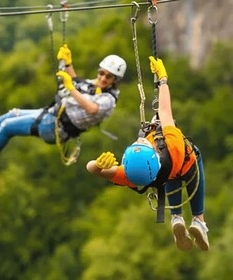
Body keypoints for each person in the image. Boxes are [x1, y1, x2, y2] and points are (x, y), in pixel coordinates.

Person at [86, 57, 209, 251]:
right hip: (184, 163)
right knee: (193, 157)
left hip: (163, 176)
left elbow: (91, 169)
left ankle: (176, 216)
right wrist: (163, 79)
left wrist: (98, 164)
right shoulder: (172, 141)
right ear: (153, 152)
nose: (140, 140)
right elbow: (165, 110)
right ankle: (198, 220)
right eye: (143, 143)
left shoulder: (132, 175)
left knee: (169, 177)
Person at [0, 44, 127, 175]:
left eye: (108, 76)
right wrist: (67, 62)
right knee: (13, 113)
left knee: (7, 126)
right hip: (52, 115)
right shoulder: (94, 85)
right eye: (101, 73)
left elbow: (91, 108)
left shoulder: (108, 99)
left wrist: (71, 89)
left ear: (115, 80)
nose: (103, 78)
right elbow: (75, 81)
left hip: (56, 128)